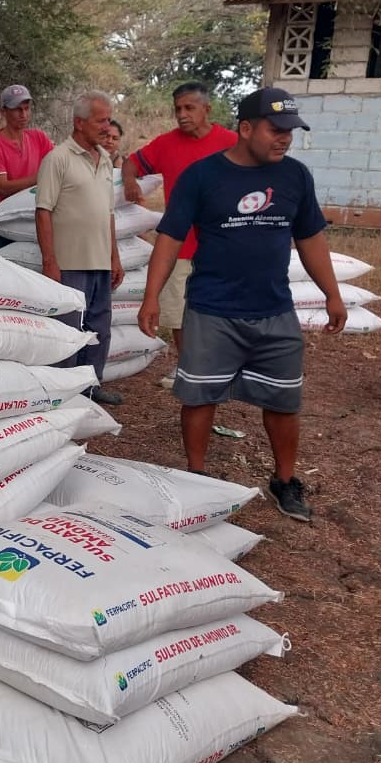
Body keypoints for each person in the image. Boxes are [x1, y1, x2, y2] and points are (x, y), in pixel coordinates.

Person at [138, 87, 346, 521]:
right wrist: (151, 296)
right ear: (247, 128)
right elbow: (170, 238)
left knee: (284, 401)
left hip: (274, 311)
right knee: (199, 397)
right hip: (211, 310)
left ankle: (284, 480)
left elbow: (310, 238)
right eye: (276, 129)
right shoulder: (202, 176)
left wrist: (332, 293)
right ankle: (196, 476)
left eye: (290, 131)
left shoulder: (295, 176)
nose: (285, 138)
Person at [122, 82, 237, 386]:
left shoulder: (232, 142)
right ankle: (188, 367)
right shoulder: (166, 144)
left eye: (189, 108)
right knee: (179, 312)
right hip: (180, 245)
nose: (182, 114)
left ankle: (221, 366)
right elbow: (131, 162)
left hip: (224, 246)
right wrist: (131, 181)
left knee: (222, 310)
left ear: (206, 109)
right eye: (178, 109)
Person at [35, 90, 124, 406]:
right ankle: (63, 392)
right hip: (69, 262)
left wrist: (115, 257)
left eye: (108, 120)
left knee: (100, 328)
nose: (106, 127)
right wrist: (50, 261)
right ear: (79, 122)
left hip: (100, 262)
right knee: (69, 329)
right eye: (100, 121)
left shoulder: (105, 161)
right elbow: (43, 211)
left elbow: (108, 214)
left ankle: (90, 387)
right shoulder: (58, 159)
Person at [0, 84, 55, 252]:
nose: (23, 115)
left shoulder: (38, 138)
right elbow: (3, 187)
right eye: (17, 110)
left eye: (27, 108)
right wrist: (40, 177)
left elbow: (57, 165)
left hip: (24, 221)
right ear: (4, 112)